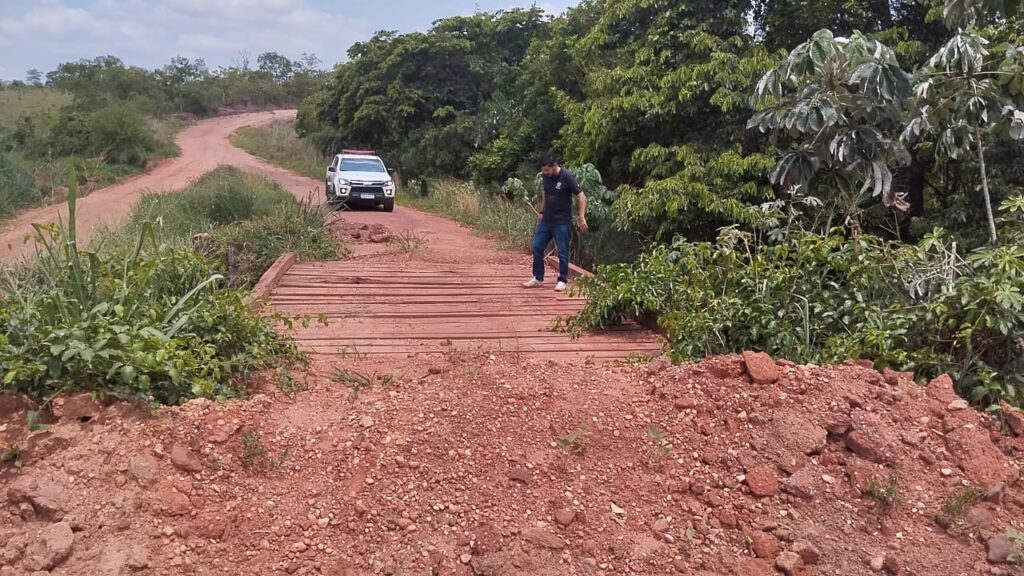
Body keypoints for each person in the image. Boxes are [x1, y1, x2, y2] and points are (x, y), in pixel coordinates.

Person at [523, 153, 588, 292]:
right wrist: (541, 211)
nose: (545, 173)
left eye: (547, 170)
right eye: (543, 171)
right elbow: (546, 194)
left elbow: (581, 196)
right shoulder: (546, 177)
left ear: (554, 166)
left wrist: (581, 216)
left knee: (563, 252)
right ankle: (538, 278)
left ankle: (563, 280)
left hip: (562, 222)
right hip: (547, 221)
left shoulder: (567, 176)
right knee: (537, 247)